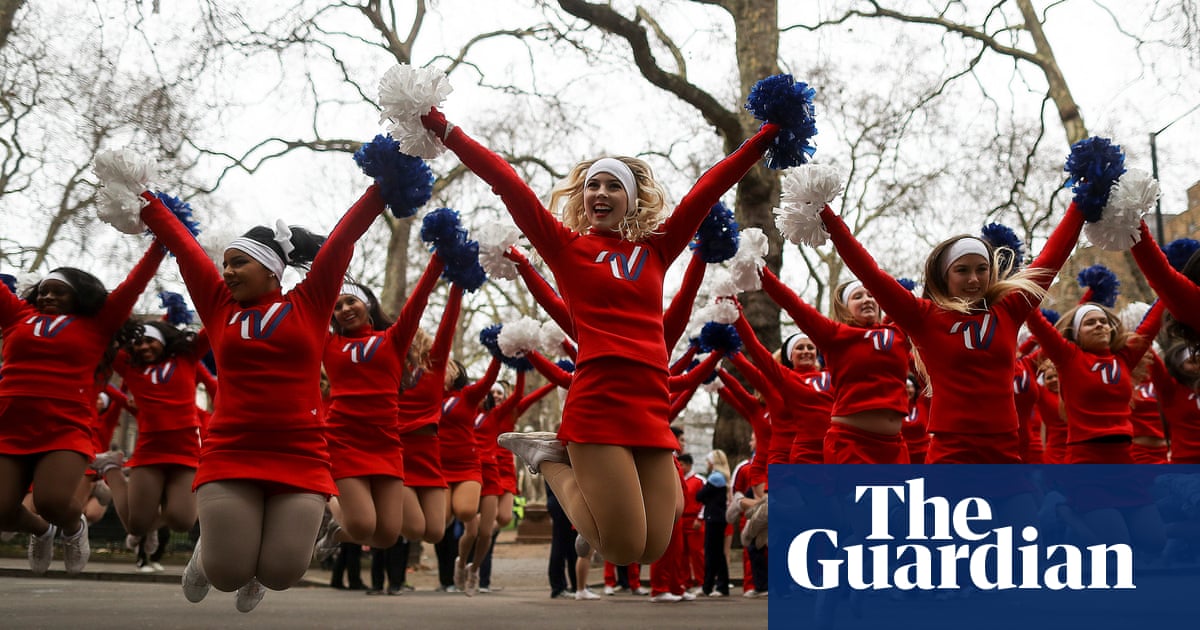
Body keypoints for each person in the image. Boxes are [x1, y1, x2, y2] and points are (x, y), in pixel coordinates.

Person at [418, 95, 784, 564]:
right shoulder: (565, 246)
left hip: (650, 397)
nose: (601, 194)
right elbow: (506, 182)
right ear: (582, 197)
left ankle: (587, 505)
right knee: (624, 548)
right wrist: (446, 130)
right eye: (593, 186)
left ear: (631, 199)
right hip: (599, 396)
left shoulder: (657, 247)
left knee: (655, 545)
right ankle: (549, 457)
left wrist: (766, 136)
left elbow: (709, 187)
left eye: (614, 186)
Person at [135, 175, 389, 612]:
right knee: (227, 572)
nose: (227, 271)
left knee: (280, 574)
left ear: (271, 268)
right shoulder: (218, 306)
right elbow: (185, 248)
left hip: (301, 452)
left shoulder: (309, 302)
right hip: (232, 449)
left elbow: (345, 237)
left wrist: (387, 181)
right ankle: (208, 554)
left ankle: (251, 563)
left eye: (238, 263)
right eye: (226, 264)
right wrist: (144, 201)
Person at [1, 245, 165, 576]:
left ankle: (74, 529)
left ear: (80, 297)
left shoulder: (98, 324)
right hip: (9, 424)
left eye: (58, 292)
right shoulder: (19, 316)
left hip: (64, 426)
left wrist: (161, 243)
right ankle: (42, 531)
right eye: (43, 291)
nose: (48, 296)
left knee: (51, 501)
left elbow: (134, 283)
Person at [320, 262, 441, 552]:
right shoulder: (328, 343)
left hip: (386, 442)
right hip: (345, 440)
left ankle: (332, 533)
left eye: (351, 301)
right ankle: (323, 515)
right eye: (337, 307)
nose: (345, 309)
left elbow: (419, 299)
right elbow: (307, 306)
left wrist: (439, 260)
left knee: (387, 536)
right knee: (362, 525)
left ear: (369, 304)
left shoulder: (393, 339)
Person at [757, 271, 911, 463]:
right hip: (852, 445)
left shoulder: (897, 333)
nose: (867, 300)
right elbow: (794, 305)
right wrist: (761, 271)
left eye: (871, 295)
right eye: (858, 296)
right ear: (845, 308)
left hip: (895, 446)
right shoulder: (835, 335)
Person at [95, 320, 207, 558]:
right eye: (137, 343)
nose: (143, 347)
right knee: (136, 525)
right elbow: (102, 336)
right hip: (150, 451)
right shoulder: (130, 367)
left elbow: (214, 322)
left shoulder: (186, 359)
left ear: (163, 340)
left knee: (182, 520)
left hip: (185, 451)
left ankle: (151, 526)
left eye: (149, 341)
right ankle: (111, 469)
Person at [1024, 302, 1163, 463]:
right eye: (1090, 323)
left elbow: (1152, 322)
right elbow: (1037, 322)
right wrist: (1022, 286)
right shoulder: (1069, 357)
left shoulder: (1125, 358)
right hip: (1085, 457)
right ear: (1076, 333)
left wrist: (1173, 280)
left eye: (1103, 321)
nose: (1099, 325)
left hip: (1124, 455)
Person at [695, 470, 730, 597]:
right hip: (719, 520)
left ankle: (713, 586)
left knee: (712, 554)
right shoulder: (722, 488)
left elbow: (699, 495)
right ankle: (713, 585)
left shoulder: (713, 481)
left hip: (712, 520)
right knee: (717, 554)